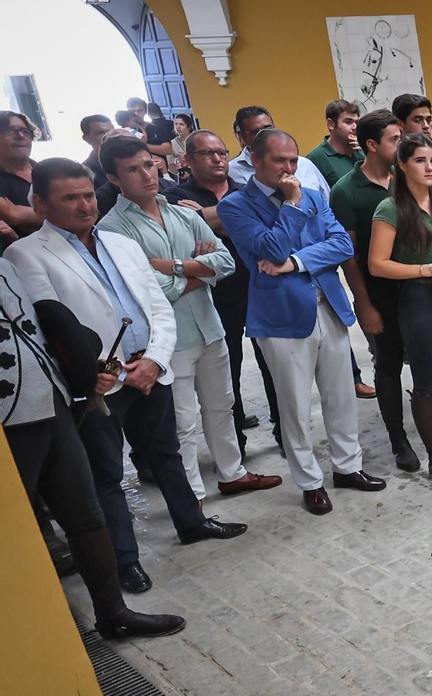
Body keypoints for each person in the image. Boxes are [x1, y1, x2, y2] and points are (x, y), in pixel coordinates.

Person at [5, 158, 249, 591]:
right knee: (107, 473)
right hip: (96, 384)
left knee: (166, 451)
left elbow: (157, 306)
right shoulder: (26, 254)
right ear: (40, 203)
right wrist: (100, 372)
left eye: (86, 195)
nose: (84, 206)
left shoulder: (120, 243)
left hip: (149, 366)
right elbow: (50, 328)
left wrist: (154, 359)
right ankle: (123, 560)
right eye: (69, 198)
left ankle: (191, 522)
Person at [1, 256, 186, 638]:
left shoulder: (6, 267)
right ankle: (26, 639)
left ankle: (112, 613)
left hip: (53, 404)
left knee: (84, 514)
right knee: (14, 533)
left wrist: (83, 368)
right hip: (8, 423)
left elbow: (37, 334)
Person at [96, 135, 281, 500]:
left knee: (221, 405)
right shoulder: (112, 229)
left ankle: (233, 473)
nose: (146, 174)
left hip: (209, 326)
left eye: (148, 164)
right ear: (113, 179)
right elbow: (143, 291)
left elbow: (226, 263)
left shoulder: (182, 212)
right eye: (132, 170)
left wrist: (174, 268)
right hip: (167, 339)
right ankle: (191, 494)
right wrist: (198, 273)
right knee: (182, 421)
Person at [217, 129, 387, 514]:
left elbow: (343, 245)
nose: (289, 168)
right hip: (280, 317)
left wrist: (295, 261)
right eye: (279, 160)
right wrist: (291, 208)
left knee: (341, 395)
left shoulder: (313, 195)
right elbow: (269, 248)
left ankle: (348, 467)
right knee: (294, 405)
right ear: (255, 160)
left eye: (293, 160)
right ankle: (310, 481)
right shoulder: (236, 206)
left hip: (328, 304)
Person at [165, 129, 280, 452]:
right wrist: (240, 220)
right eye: (207, 153)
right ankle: (236, 445)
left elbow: (267, 235)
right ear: (187, 159)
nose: (218, 159)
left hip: (259, 289)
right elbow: (185, 243)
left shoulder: (246, 190)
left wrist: (202, 218)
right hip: (213, 296)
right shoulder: (174, 198)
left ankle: (283, 433)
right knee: (226, 376)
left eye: (222, 152)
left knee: (274, 366)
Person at [367, 134, 432, 484]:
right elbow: (377, 264)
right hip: (418, 295)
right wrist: (427, 269)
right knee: (427, 380)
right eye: (420, 160)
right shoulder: (391, 208)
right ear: (403, 165)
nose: (429, 167)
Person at [329, 110, 418, 472]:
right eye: (394, 139)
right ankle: (398, 438)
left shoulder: (404, 178)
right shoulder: (346, 191)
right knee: (388, 363)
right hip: (378, 291)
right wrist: (364, 306)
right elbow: (349, 257)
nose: (401, 144)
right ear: (371, 145)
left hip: (416, 285)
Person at [227, 106, 332, 195]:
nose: (264, 134)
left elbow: (327, 203)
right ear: (242, 137)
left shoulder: (305, 164)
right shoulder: (231, 171)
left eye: (268, 128)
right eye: (255, 131)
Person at [0, 111, 41, 248]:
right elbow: (11, 215)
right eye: (11, 130)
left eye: (25, 131)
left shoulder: (49, 171)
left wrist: (24, 215)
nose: (21, 136)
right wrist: (58, 212)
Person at [307, 99, 365, 188]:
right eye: (348, 122)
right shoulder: (315, 158)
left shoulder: (364, 150)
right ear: (331, 124)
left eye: (357, 122)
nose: (355, 127)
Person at [81, 115, 115, 188]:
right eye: (100, 133)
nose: (108, 137)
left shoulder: (130, 160)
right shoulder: (84, 173)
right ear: (86, 139)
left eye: (111, 132)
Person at [171, 114, 194, 180]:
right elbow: (170, 163)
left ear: (189, 126)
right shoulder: (172, 143)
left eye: (181, 124)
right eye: (176, 124)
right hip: (183, 174)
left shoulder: (196, 139)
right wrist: (179, 174)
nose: (178, 127)